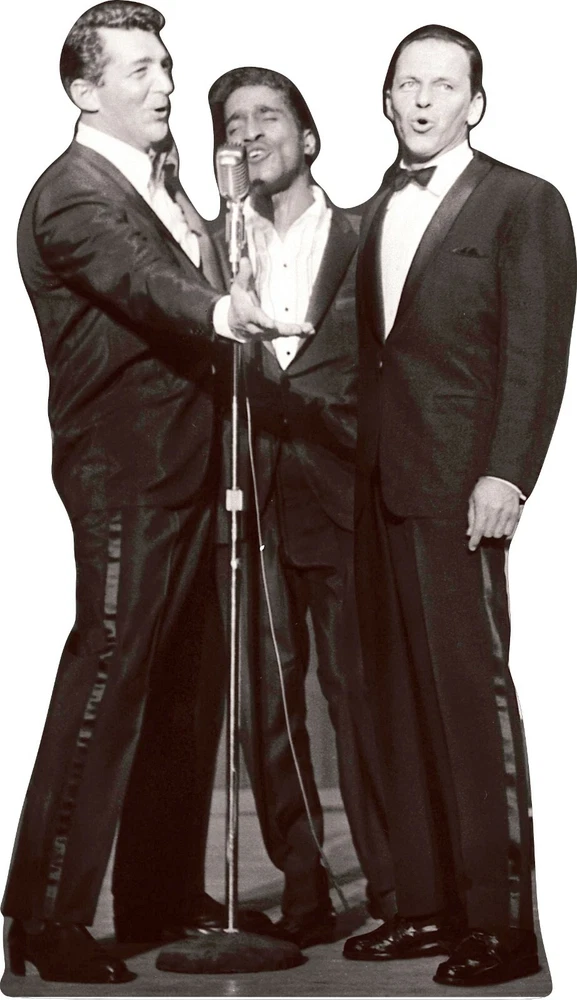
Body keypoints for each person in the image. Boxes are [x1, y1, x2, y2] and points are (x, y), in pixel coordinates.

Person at [1, 2, 310, 985]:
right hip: (125, 473)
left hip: (191, 471)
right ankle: (45, 919)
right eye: (139, 69)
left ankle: (157, 894)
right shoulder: (74, 193)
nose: (166, 83)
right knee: (109, 677)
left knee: (182, 689)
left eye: (165, 64)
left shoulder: (157, 180)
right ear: (84, 90)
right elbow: (140, 282)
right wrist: (222, 309)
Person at [344, 23, 576, 988]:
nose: (423, 100)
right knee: (397, 702)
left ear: (474, 104)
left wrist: (506, 473)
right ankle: (426, 907)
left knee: (471, 702)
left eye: (443, 85)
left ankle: (503, 922)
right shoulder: (368, 210)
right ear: (386, 98)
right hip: (376, 491)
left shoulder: (524, 202)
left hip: (459, 492)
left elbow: (536, 350)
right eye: (408, 83)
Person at [208, 66, 395, 949]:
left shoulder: (367, 233)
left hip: (343, 492)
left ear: (307, 137)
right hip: (248, 499)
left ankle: (396, 887)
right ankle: (306, 886)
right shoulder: (208, 247)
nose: (250, 132)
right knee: (268, 701)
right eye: (232, 122)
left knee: (361, 692)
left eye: (268, 116)